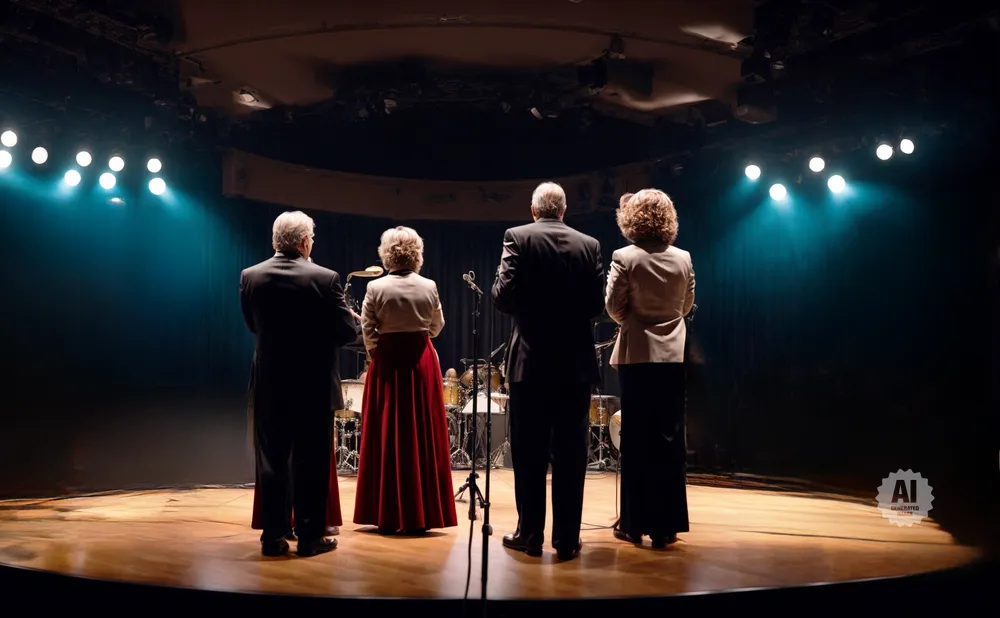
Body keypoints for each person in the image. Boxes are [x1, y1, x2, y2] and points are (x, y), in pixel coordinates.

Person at [492, 182, 605, 561]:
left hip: (531, 363)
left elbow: (502, 296)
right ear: (565, 209)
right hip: (574, 365)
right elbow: (595, 306)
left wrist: (533, 300)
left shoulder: (517, 237)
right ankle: (567, 540)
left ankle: (529, 535)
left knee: (529, 453)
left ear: (533, 209)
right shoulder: (588, 245)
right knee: (571, 455)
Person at [240, 211, 360, 557]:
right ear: (305, 241)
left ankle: (273, 538)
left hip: (270, 381)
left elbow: (252, 325)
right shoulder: (325, 278)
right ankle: (310, 538)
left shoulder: (251, 276)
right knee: (312, 460)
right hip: (313, 384)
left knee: (271, 460)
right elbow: (346, 333)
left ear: (276, 241)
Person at [353, 226, 458, 534]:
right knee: (420, 431)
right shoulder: (429, 285)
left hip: (387, 362)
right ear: (417, 254)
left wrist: (377, 353)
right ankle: (421, 512)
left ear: (387, 254)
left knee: (387, 431)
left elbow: (368, 330)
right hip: (420, 362)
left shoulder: (376, 288)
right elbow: (436, 327)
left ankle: (386, 510)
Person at [605, 189, 695, 548]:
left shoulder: (624, 257)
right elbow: (686, 305)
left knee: (637, 439)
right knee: (670, 439)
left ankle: (634, 523)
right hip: (673, 356)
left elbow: (613, 306)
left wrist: (634, 320)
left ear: (632, 218)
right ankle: (667, 526)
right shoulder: (684, 258)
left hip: (638, 355)